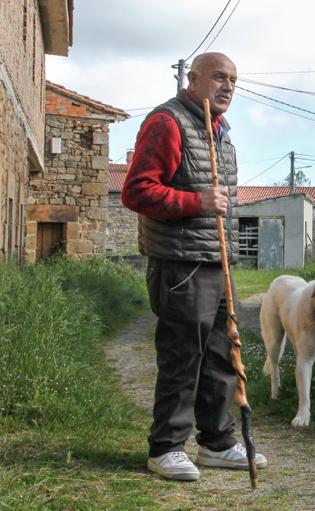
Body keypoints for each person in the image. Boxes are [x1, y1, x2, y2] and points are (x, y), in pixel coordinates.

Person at [122, 52, 268, 481]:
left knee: (224, 355)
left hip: (216, 262)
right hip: (180, 263)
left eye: (234, 81)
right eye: (219, 77)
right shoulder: (168, 122)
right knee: (183, 356)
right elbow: (135, 191)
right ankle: (166, 448)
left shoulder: (221, 134)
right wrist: (195, 201)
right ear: (194, 78)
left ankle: (217, 443)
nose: (227, 87)